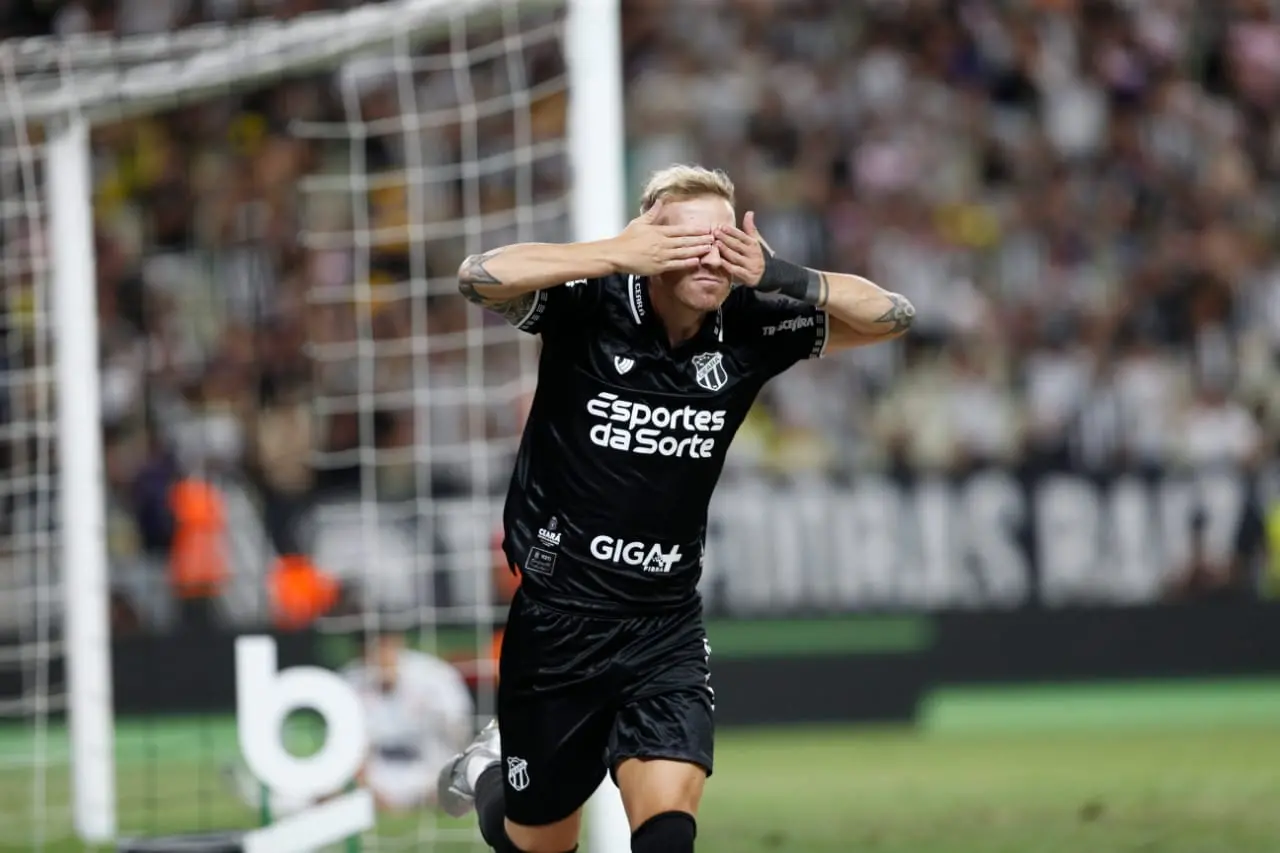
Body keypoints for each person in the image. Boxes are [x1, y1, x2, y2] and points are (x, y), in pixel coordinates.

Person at [436, 165, 914, 853]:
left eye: (724, 241)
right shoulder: (591, 302)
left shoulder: (749, 324)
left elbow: (891, 316)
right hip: (559, 621)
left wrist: (785, 276)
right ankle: (488, 768)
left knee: (666, 837)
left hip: (664, 623)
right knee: (536, 841)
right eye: (686, 242)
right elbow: (477, 275)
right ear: (648, 244)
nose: (708, 257)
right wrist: (612, 253)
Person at [344, 628, 474, 812]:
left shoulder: (435, 677)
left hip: (432, 772)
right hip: (375, 781)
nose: (379, 654)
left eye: (384, 645)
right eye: (371, 647)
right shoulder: (349, 683)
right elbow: (346, 749)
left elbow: (460, 735)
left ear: (398, 642)